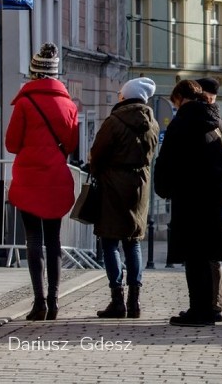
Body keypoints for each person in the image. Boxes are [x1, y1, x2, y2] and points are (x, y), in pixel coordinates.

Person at [6, 43, 79, 321]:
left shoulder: (24, 103)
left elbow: (12, 144)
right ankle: (54, 301)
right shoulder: (69, 105)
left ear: (34, 73)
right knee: (54, 240)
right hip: (56, 178)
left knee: (33, 239)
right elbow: (70, 143)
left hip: (28, 178)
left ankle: (38, 303)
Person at [154, 80, 222, 327]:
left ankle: (198, 310)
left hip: (189, 198)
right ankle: (209, 307)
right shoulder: (214, 121)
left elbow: (168, 160)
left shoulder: (183, 122)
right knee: (206, 256)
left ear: (181, 98)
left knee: (193, 258)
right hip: (211, 198)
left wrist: (164, 187)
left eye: (175, 102)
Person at [90, 77, 160, 319]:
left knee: (110, 241)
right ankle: (134, 301)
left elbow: (97, 153)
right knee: (133, 241)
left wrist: (97, 171)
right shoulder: (153, 123)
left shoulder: (113, 122)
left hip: (113, 184)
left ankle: (117, 298)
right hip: (140, 184)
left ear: (125, 97)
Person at [196, 77, 222, 323]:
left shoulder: (209, 121)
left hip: (207, 191)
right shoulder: (220, 121)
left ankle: (211, 303)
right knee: (213, 252)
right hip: (216, 191)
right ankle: (214, 302)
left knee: (208, 252)